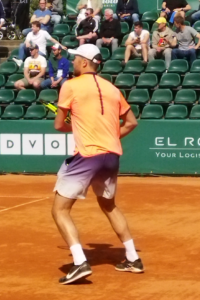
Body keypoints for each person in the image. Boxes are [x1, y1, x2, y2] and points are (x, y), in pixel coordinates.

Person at [52, 44, 143, 285]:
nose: (72, 63)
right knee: (109, 206)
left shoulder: (69, 85)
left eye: (75, 59)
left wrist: (79, 126)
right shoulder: (113, 89)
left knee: (60, 210)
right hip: (111, 156)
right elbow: (132, 122)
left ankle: (80, 261)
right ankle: (133, 258)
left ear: (84, 63)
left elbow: (60, 125)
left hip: (88, 155)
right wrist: (109, 135)